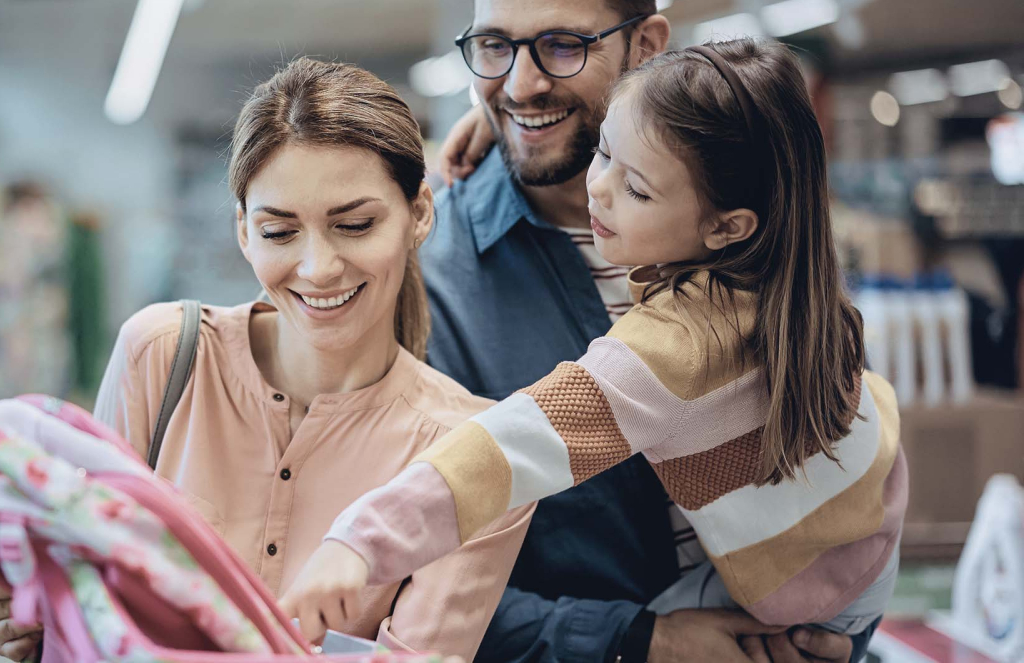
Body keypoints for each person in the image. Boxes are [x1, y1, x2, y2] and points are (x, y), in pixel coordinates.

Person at [284, 37, 905, 663]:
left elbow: (507, 447)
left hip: (810, 597)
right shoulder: (792, 271)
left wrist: (358, 542)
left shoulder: (678, 347)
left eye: (635, 188)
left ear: (726, 226)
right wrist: (502, 132)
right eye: (603, 149)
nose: (598, 189)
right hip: (869, 528)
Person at [0, 57, 535, 661]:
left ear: (419, 213)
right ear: (243, 230)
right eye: (279, 232)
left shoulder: (474, 457)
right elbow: (83, 599)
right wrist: (34, 626)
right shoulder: (162, 357)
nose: (318, 267)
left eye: (354, 224)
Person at [413, 0, 873, 662]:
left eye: (562, 45)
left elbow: (836, 444)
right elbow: (410, 586)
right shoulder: (433, 279)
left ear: (647, 44)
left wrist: (842, 631)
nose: (522, 84)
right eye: (494, 45)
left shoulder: (747, 222)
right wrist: (636, 641)